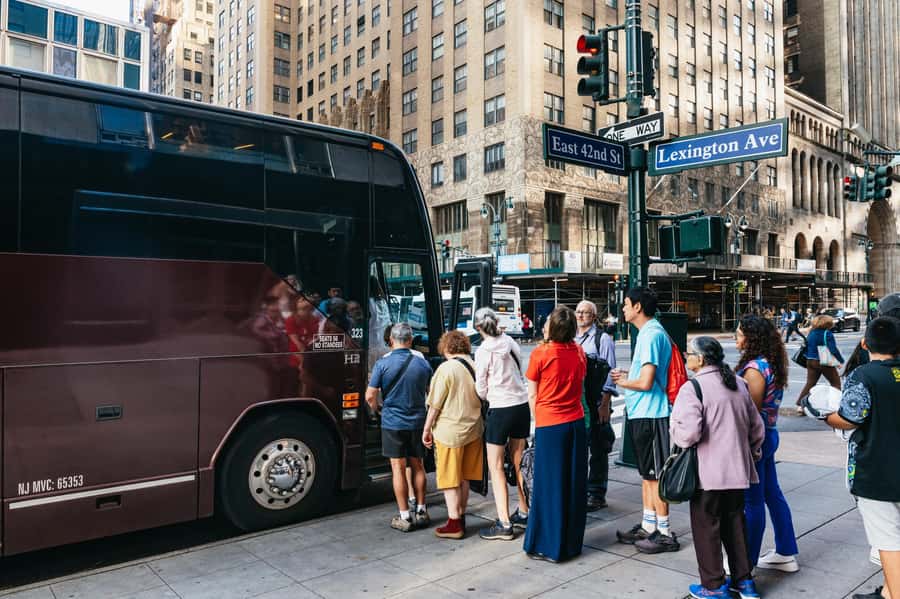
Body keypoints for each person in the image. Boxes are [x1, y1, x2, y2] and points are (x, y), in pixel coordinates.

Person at [811, 317, 900, 599]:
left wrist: (824, 416)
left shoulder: (864, 375)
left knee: (888, 541)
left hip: (876, 473)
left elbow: (850, 418)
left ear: (864, 343)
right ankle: (887, 592)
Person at [672, 337, 764, 599]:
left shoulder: (693, 388)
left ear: (700, 359)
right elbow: (756, 428)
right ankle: (744, 583)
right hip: (737, 471)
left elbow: (688, 435)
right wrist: (752, 453)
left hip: (707, 474)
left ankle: (713, 586)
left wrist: (674, 429)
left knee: (706, 528)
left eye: (688, 352)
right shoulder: (738, 382)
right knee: (736, 525)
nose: (686, 357)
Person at [611, 287, 679, 553]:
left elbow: (647, 381)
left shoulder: (650, 335)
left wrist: (624, 381)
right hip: (644, 413)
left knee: (656, 476)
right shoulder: (649, 333)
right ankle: (649, 525)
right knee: (647, 475)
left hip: (651, 413)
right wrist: (631, 374)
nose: (624, 309)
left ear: (638, 307)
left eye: (626, 304)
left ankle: (663, 531)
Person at [735, 315, 800, 573]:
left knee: (752, 501)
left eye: (739, 334)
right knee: (772, 494)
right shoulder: (769, 362)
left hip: (756, 440)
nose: (736, 338)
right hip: (768, 434)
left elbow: (749, 412)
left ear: (752, 338)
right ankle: (785, 551)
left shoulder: (754, 369)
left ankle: (746, 565)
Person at [523, 306, 587, 562]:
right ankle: (570, 542)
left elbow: (532, 394)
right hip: (576, 422)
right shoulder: (579, 352)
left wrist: (536, 422)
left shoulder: (541, 353)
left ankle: (548, 545)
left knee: (548, 486)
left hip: (550, 424)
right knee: (573, 484)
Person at [365, 323, 433, 532]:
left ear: (392, 340)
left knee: (398, 468)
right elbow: (431, 392)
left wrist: (378, 409)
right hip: (418, 421)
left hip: (393, 422)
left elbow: (370, 395)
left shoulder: (382, 364)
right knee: (418, 465)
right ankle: (421, 511)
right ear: (410, 340)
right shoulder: (422, 363)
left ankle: (404, 515)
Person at [473, 308, 530, 540]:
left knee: (495, 466)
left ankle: (504, 523)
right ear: (496, 322)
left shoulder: (484, 351)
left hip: (500, 409)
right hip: (521, 406)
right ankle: (525, 512)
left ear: (478, 328)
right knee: (519, 463)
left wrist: (489, 394)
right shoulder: (511, 343)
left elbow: (481, 388)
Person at [422, 331, 484, 539]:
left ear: (446, 347)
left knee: (450, 479)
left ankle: (454, 523)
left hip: (450, 432)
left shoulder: (446, 368)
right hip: (474, 430)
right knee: (465, 477)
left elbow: (435, 405)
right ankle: (462, 516)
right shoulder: (475, 366)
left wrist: (426, 429)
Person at [574, 300, 617, 511]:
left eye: (585, 313)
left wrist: (605, 402)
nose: (581, 315)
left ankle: (597, 493)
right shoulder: (572, 337)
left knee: (598, 448)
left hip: (597, 400)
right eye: (578, 312)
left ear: (594, 316)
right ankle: (585, 489)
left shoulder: (603, 339)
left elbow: (610, 371)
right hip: (580, 401)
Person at [795, 314, 844, 413]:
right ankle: (836, 406)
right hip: (823, 361)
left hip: (810, 360)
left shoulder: (811, 332)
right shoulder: (827, 333)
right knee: (835, 383)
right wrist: (840, 360)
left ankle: (800, 405)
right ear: (827, 324)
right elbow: (833, 349)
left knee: (810, 383)